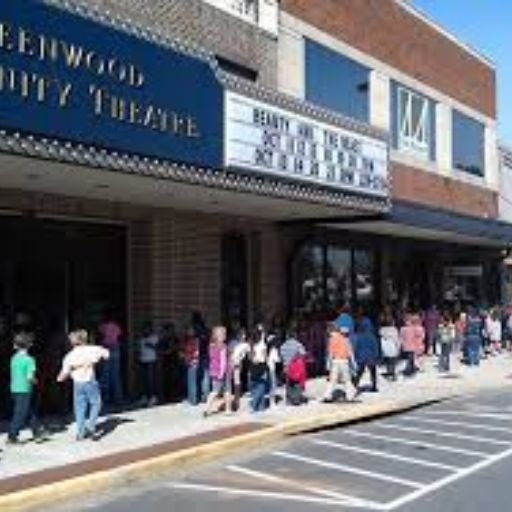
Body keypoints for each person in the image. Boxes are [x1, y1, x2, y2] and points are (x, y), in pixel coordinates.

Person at [57, 330, 109, 441]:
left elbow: (64, 374)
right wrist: (96, 359)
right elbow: (106, 354)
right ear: (85, 339)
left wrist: (59, 378)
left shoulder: (69, 356)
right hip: (90, 381)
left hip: (77, 384)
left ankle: (80, 432)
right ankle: (91, 426)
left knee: (79, 407)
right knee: (96, 403)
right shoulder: (92, 349)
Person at [8, 333, 45, 444]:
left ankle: (37, 432)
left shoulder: (13, 358)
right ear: (30, 345)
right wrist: (36, 381)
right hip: (25, 389)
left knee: (29, 411)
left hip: (14, 388)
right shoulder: (30, 360)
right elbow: (30, 377)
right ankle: (12, 436)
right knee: (20, 413)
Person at [322, 324, 356, 402]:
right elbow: (350, 352)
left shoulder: (332, 339)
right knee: (347, 380)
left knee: (332, 380)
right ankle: (350, 396)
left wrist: (328, 363)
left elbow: (331, 353)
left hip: (335, 361)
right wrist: (353, 363)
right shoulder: (345, 339)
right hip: (344, 361)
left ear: (331, 331)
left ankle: (327, 396)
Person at [98, 313, 123, 406]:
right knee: (116, 375)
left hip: (106, 348)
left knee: (105, 375)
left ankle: (106, 398)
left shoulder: (103, 326)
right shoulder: (116, 326)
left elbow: (100, 336)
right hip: (116, 349)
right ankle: (118, 399)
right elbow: (119, 337)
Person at [204, 326, 228, 417]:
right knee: (215, 391)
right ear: (220, 336)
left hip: (213, 371)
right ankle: (207, 408)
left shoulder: (211, 346)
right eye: (224, 334)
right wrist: (222, 373)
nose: (225, 336)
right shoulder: (223, 346)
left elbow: (212, 359)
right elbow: (223, 361)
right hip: (219, 372)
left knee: (215, 390)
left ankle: (207, 408)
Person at [226, 327, 250, 412]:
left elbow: (229, 352)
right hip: (234, 363)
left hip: (235, 363)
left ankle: (235, 399)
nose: (244, 336)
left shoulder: (242, 344)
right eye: (243, 334)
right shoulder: (242, 344)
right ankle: (234, 398)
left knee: (235, 380)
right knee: (234, 380)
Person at [353, 316, 379, 393]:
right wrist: (376, 355)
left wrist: (356, 355)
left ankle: (355, 384)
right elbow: (375, 347)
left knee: (360, 371)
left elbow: (357, 347)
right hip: (371, 357)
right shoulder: (372, 336)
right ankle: (374, 386)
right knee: (373, 371)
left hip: (361, 356)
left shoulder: (359, 336)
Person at [138, 321, 159, 407]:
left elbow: (157, 347)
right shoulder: (142, 338)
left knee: (150, 381)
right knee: (144, 381)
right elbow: (140, 348)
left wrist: (150, 345)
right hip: (143, 360)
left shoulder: (154, 337)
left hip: (151, 361)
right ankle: (145, 397)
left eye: (147, 329)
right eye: (144, 329)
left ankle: (153, 398)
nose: (145, 330)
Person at [249, 324, 269, 413]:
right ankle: (254, 405)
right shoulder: (263, 344)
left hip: (253, 366)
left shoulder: (251, 344)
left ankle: (261, 406)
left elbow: (250, 356)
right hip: (261, 365)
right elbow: (265, 357)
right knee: (262, 386)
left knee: (255, 385)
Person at [182, 324, 201, 405]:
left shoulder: (195, 340)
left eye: (190, 330)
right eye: (188, 330)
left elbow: (196, 352)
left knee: (192, 381)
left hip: (192, 362)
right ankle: (191, 399)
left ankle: (193, 400)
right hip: (188, 362)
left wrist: (193, 360)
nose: (188, 331)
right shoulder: (187, 339)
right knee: (189, 381)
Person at [379, 314, 401, 380]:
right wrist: (398, 347)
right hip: (393, 348)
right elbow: (396, 340)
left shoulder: (381, 330)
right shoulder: (394, 330)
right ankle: (392, 373)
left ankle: (389, 372)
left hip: (385, 349)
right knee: (393, 362)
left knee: (388, 361)